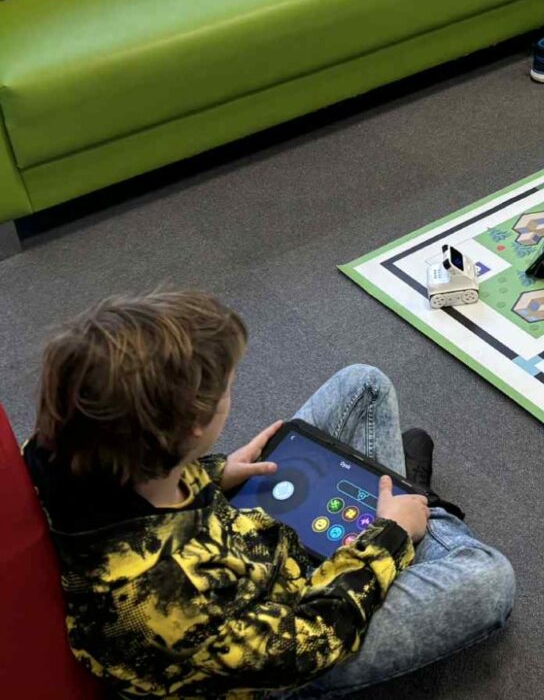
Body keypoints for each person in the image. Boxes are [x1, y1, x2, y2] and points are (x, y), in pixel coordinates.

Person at [22, 290, 515, 697]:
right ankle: (418, 507)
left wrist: (212, 473)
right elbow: (307, 645)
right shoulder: (169, 593)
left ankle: (402, 499)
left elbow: (140, 491)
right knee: (487, 577)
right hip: (283, 648)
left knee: (363, 384)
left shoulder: (69, 442)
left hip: (242, 547)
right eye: (226, 389)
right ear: (193, 427)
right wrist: (388, 535)